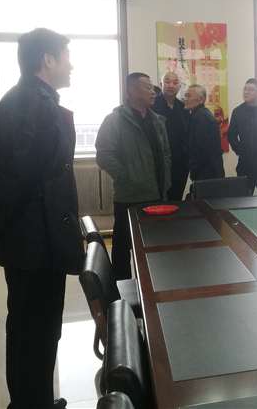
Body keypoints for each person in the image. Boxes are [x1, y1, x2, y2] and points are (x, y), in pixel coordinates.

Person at [0, 28, 84, 409]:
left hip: (32, 236)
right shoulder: (34, 104)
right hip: (36, 240)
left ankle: (34, 400)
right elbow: (18, 174)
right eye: (66, 57)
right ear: (47, 60)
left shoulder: (22, 100)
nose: (71, 66)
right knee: (35, 328)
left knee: (33, 327)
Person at [96, 73, 171, 280]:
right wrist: (127, 177)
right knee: (122, 246)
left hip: (157, 195)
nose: (153, 92)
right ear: (131, 91)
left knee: (153, 246)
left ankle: (151, 284)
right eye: (147, 87)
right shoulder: (115, 121)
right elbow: (104, 155)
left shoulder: (157, 120)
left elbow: (166, 153)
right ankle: (121, 289)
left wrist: (166, 182)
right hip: (129, 197)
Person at [152, 72, 189, 201]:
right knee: (158, 201)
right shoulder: (152, 105)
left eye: (175, 82)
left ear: (179, 86)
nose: (171, 85)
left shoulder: (183, 107)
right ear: (161, 84)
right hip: (158, 163)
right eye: (167, 82)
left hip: (180, 163)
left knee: (176, 199)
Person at [184, 84, 225, 182]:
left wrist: (194, 168)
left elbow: (202, 150)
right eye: (185, 95)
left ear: (201, 100)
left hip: (207, 174)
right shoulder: (198, 115)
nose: (185, 99)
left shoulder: (202, 118)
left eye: (189, 96)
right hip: (208, 172)